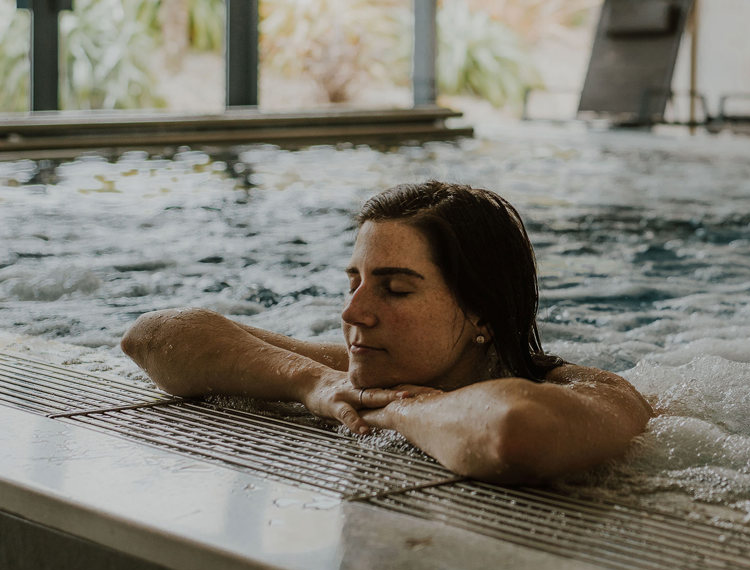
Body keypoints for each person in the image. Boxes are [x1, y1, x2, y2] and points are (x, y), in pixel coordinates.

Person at [121, 181, 652, 484]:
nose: (354, 313)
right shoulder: (360, 371)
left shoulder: (598, 393)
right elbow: (152, 336)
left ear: (484, 316)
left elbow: (513, 430)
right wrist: (311, 383)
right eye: (355, 281)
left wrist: (400, 410)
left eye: (395, 289)